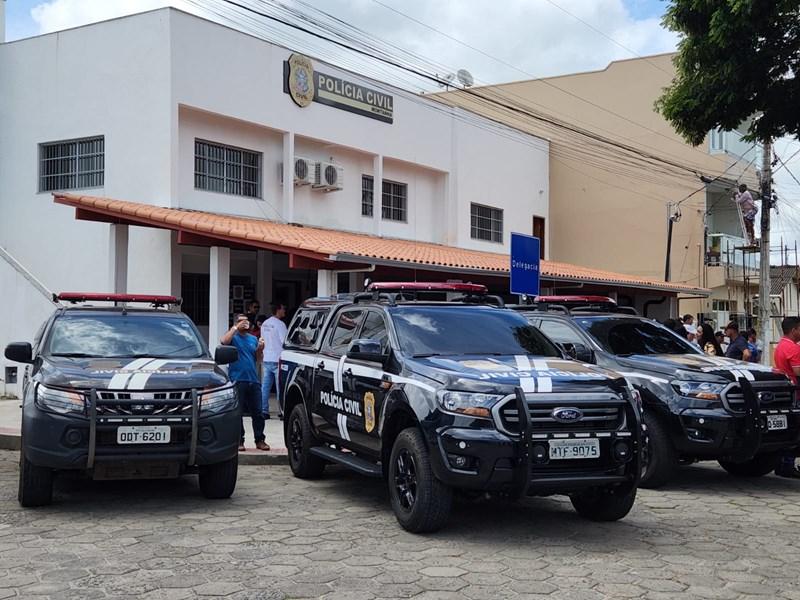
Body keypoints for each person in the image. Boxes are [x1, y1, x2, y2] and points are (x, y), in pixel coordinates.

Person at [221, 313, 269, 452]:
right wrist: (235, 328)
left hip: (253, 379)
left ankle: (260, 440)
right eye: (242, 321)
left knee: (258, 412)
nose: (245, 323)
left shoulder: (253, 338)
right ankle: (239, 441)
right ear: (236, 323)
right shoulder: (233, 337)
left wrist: (260, 348)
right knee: (238, 413)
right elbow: (223, 341)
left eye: (247, 321)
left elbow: (258, 359)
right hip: (238, 379)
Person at [773, 317, 800, 478]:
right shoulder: (793, 348)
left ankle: (783, 464)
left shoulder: (781, 345)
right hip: (795, 394)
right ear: (794, 330)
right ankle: (787, 464)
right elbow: (798, 371)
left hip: (786, 393)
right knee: (796, 431)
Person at [261, 302, 288, 420]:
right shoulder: (280, 324)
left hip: (267, 358)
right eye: (283, 308)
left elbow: (262, 340)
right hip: (278, 359)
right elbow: (285, 342)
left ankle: (263, 411)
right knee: (280, 387)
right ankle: (282, 411)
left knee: (265, 387)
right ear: (278, 310)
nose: (284, 310)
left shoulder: (265, 324)